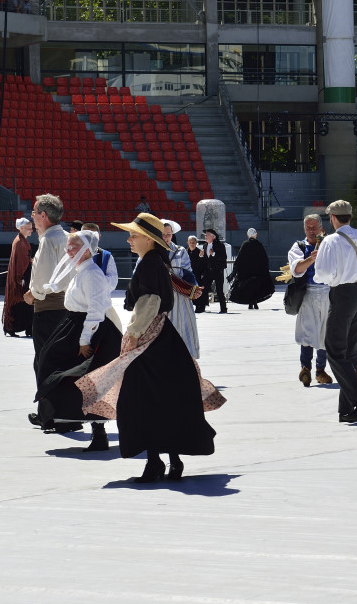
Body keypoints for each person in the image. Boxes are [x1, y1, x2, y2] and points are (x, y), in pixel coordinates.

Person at [76, 213, 224, 482]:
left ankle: (156, 462)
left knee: (145, 398)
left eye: (133, 235)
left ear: (147, 239)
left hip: (150, 337)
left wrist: (133, 335)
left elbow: (150, 301)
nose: (129, 239)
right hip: (163, 337)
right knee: (164, 397)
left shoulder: (150, 264)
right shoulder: (156, 261)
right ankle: (170, 461)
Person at [30, 230, 123, 450]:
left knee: (85, 380)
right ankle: (61, 416)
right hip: (74, 326)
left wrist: (84, 340)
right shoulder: (81, 271)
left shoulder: (92, 273)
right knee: (56, 368)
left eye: (72, 247)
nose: (67, 250)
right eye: (68, 246)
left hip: (90, 331)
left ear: (85, 249)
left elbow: (96, 310)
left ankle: (97, 433)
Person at [312, 199, 357, 422]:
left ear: (333, 218)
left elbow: (322, 273)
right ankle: (347, 410)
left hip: (342, 294)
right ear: (349, 217)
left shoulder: (331, 241)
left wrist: (331, 278)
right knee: (351, 354)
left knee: (334, 350)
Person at [24, 194, 70, 375]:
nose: (32, 216)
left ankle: (48, 402)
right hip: (67, 308)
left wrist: (31, 295)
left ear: (43, 215)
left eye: (34, 212)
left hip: (49, 309)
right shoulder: (67, 236)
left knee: (45, 362)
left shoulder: (48, 240)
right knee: (62, 360)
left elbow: (42, 281)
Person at [288, 215, 333, 387]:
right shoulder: (299, 246)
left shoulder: (330, 245)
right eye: (308, 227)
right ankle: (305, 367)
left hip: (327, 293)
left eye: (314, 227)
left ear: (322, 228)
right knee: (308, 332)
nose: (312, 230)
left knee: (325, 332)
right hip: (308, 293)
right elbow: (296, 268)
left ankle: (320, 370)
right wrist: (311, 259)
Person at [161, 220, 202, 360]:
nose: (166, 237)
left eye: (169, 234)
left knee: (184, 329)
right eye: (163, 234)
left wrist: (194, 286)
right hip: (160, 296)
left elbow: (188, 272)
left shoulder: (180, 250)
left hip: (179, 296)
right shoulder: (151, 250)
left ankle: (185, 363)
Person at [228, 228, 274, 310]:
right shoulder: (259, 244)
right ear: (256, 235)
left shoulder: (245, 244)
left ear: (247, 235)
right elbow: (264, 258)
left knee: (248, 287)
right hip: (257, 271)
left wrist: (235, 272)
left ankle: (250, 303)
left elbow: (239, 258)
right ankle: (255, 302)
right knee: (256, 287)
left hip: (246, 271)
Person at [3, 217, 34, 337]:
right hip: (23, 276)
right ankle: (14, 327)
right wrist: (20, 278)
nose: (31, 230)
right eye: (28, 228)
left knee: (23, 303)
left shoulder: (21, 240)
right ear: (21, 228)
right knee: (22, 301)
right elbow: (21, 262)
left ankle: (19, 327)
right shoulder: (20, 242)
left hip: (23, 275)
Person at [200, 228, 228, 313]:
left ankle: (223, 308)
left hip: (217, 270)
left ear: (213, 236)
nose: (205, 236)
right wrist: (201, 256)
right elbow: (205, 260)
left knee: (219, 290)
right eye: (205, 235)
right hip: (208, 271)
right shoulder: (205, 246)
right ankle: (202, 307)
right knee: (204, 289)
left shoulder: (220, 245)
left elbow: (223, 258)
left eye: (207, 235)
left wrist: (214, 254)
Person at [186, 236, 207, 313]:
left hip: (197, 275)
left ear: (196, 243)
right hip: (187, 275)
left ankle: (199, 307)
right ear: (188, 243)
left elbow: (203, 265)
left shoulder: (199, 252)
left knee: (197, 291)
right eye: (190, 242)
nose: (192, 244)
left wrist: (201, 257)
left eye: (193, 243)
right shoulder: (185, 252)